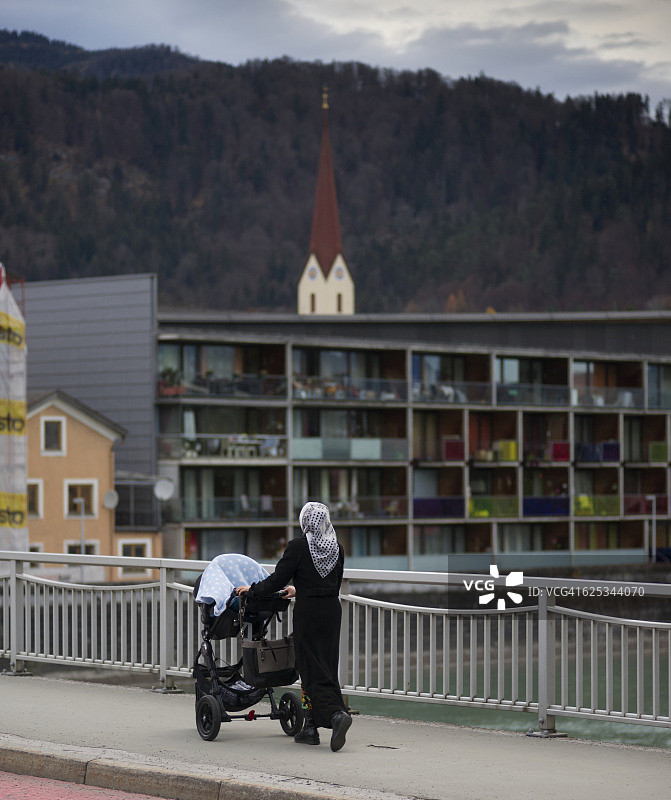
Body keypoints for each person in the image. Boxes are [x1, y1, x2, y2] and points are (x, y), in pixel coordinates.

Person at [236, 501, 352, 751]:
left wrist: (252, 590)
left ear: (305, 521)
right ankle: (310, 727)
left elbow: (277, 578)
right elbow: (332, 583)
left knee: (309, 669)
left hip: (309, 613)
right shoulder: (337, 548)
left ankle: (335, 715)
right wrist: (299, 589)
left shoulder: (298, 546)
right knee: (326, 667)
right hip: (332, 612)